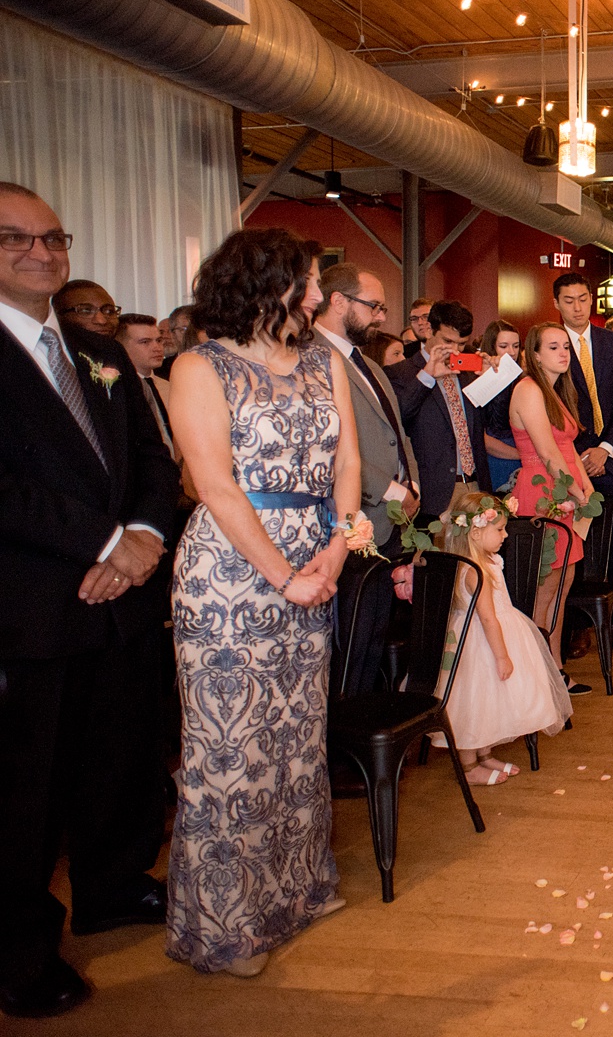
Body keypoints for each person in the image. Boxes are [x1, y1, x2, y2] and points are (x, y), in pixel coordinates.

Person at [0, 183, 179, 1020]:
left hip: (123, 599)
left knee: (122, 755)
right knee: (27, 790)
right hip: (35, 602)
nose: (41, 252)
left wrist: (142, 535)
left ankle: (111, 884)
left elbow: (150, 456)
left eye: (52, 237)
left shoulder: (93, 349)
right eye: (16, 239)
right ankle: (20, 951)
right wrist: (108, 544)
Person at [166, 226, 360, 977]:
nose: (317, 296)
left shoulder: (322, 360)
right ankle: (230, 923)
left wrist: (337, 548)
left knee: (294, 739)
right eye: (307, 282)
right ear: (261, 283)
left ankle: (297, 891)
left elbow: (348, 457)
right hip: (230, 574)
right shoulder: (198, 366)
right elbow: (213, 484)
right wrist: (285, 574)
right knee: (232, 746)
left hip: (317, 553)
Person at [312, 263, 420, 695]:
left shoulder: (369, 365)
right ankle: (343, 735)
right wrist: (391, 489)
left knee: (373, 634)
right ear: (338, 301)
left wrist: (412, 484)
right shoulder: (315, 357)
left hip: (390, 515)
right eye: (373, 306)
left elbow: (397, 431)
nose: (380, 317)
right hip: (355, 515)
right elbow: (334, 443)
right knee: (350, 638)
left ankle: (362, 724)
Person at [432, 492, 574, 784]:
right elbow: (487, 618)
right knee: (474, 704)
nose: (505, 535)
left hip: (495, 632)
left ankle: (485, 756)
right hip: (481, 643)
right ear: (475, 531)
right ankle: (469, 767)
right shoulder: (475, 571)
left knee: (490, 704)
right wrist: (501, 656)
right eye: (499, 530)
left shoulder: (486, 561)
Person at [555, 274, 613, 654]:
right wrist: (581, 456)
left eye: (583, 298)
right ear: (557, 303)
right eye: (569, 300)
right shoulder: (550, 346)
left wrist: (605, 449)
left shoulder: (611, 343)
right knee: (575, 550)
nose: (577, 306)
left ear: (592, 300)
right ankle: (577, 629)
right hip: (572, 462)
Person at [508, 323, 593, 681]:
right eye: (553, 347)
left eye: (566, 347)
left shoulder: (556, 392)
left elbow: (568, 447)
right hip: (543, 491)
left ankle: (556, 667)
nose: (563, 352)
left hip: (566, 490)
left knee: (562, 585)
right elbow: (546, 452)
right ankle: (537, 676)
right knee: (544, 589)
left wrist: (587, 490)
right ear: (535, 355)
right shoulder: (528, 390)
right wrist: (575, 492)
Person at [386, 299, 491, 520]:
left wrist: (492, 379)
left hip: (475, 487)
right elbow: (399, 419)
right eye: (447, 341)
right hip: (435, 492)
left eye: (461, 344)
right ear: (429, 330)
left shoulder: (469, 371)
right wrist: (427, 375)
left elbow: (491, 423)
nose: (454, 350)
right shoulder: (401, 374)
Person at [116, 313, 174, 456]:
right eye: (145, 342)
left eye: (159, 340)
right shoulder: (120, 390)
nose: (157, 348)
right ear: (120, 346)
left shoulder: (169, 387)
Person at [479, 318, 524, 491]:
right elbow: (479, 437)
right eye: (504, 346)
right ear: (491, 347)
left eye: (516, 346)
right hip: (495, 459)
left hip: (523, 455)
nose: (511, 352)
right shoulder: (480, 381)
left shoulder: (523, 380)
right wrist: (521, 454)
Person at [50, 280, 119, 338]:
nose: (101, 321)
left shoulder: (118, 352)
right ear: (58, 315)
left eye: (109, 311)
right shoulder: (51, 352)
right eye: (86, 311)